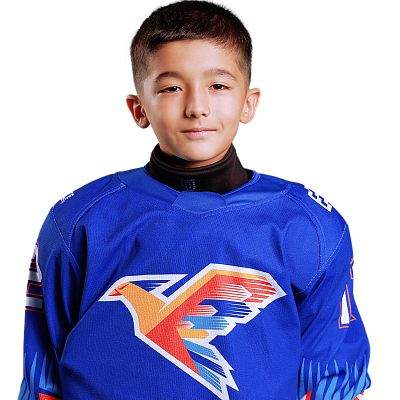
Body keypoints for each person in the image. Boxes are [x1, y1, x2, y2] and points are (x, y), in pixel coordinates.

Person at [18, 1, 371, 399]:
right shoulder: (78, 219)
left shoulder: (310, 224)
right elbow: (41, 373)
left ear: (250, 102)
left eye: (218, 86)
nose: (196, 108)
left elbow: (334, 377)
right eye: (171, 88)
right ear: (138, 109)